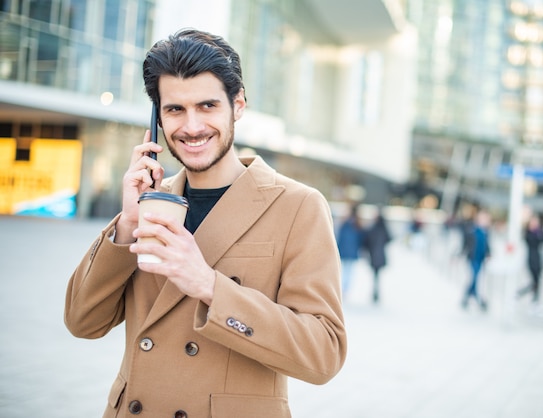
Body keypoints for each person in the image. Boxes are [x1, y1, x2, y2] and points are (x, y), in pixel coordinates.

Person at [64, 29, 346, 418]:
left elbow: (323, 353)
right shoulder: (147, 203)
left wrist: (211, 287)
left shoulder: (298, 206)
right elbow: (82, 322)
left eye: (208, 106)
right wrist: (128, 222)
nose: (192, 127)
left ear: (238, 105)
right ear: (157, 117)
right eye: (175, 109)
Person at [517, 214, 543, 307]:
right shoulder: (529, 234)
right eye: (533, 222)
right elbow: (536, 239)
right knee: (534, 282)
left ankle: (534, 300)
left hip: (538, 260)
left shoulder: (538, 232)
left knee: (537, 282)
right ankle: (522, 294)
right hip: (531, 260)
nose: (535, 224)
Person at [461, 209, 491, 311]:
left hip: (481, 258)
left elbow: (487, 245)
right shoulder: (471, 230)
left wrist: (489, 254)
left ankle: (468, 297)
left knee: (476, 278)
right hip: (473, 258)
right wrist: (460, 254)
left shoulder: (486, 232)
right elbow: (466, 244)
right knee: (474, 277)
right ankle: (478, 299)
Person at [362, 207, 391, 303]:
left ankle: (375, 293)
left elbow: (366, 241)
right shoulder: (383, 228)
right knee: (376, 275)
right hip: (379, 255)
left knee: (376, 275)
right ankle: (376, 293)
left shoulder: (374, 228)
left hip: (374, 255)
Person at [336, 203, 363, 297]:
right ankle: (344, 289)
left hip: (346, 251)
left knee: (345, 270)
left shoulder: (348, 223)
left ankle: (344, 289)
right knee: (347, 271)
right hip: (350, 251)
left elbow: (340, 237)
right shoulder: (356, 223)